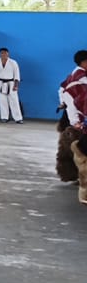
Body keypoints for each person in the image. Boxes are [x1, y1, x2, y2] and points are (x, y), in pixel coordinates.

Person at [55, 51, 87, 205]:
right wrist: (76, 122)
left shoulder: (73, 76)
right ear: (84, 62)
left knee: (72, 152)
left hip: (72, 117)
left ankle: (75, 177)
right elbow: (77, 100)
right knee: (79, 152)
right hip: (77, 120)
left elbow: (62, 90)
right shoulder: (81, 78)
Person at [0, 47, 22, 123]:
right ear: (0, 54)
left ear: (8, 54)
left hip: (11, 83)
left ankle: (18, 118)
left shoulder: (13, 62)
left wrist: (16, 85)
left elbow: (17, 75)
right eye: (2, 53)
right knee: (2, 101)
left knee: (14, 101)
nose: (3, 54)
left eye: (5, 53)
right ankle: (4, 117)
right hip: (0, 83)